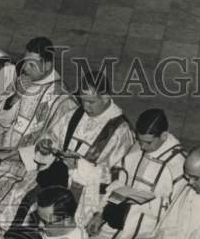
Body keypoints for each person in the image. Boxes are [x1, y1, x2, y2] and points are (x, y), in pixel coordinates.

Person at [0, 37, 78, 229]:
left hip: (27, 164)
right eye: (25, 61)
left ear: (47, 64)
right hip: (2, 146)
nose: (25, 68)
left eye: (32, 64)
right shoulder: (24, 81)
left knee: (10, 200)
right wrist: (16, 97)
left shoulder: (63, 100)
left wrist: (16, 154)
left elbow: (55, 145)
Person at [86, 109, 186, 239]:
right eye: (139, 140)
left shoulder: (178, 166)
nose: (142, 147)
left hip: (145, 235)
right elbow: (119, 183)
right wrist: (100, 213)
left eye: (148, 142)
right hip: (118, 224)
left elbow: (178, 211)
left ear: (164, 136)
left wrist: (145, 204)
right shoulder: (138, 147)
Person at [32, 69, 135, 227]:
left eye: (91, 102)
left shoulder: (120, 132)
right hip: (58, 182)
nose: (85, 106)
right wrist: (47, 144)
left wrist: (80, 166)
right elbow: (54, 135)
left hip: (86, 197)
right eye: (82, 100)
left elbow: (119, 176)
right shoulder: (75, 114)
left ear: (106, 97)